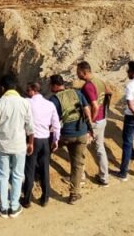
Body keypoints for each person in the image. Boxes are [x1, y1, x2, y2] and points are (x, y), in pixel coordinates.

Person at [0, 73, 34, 217]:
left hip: (3, 146)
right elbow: (30, 127)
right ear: (15, 87)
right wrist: (30, 143)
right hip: (19, 146)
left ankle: (3, 207)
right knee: (18, 175)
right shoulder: (25, 103)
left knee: (2, 176)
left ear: (2, 88)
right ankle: (14, 206)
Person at [48, 74, 92, 203]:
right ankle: (74, 194)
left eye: (50, 85)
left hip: (66, 135)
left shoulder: (54, 99)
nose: (50, 87)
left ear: (55, 85)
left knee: (48, 149)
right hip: (82, 132)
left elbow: (51, 120)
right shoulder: (77, 93)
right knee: (77, 164)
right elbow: (87, 111)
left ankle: (40, 174)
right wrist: (90, 129)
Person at [21, 81, 59, 208]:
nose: (27, 92)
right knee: (44, 169)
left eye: (28, 90)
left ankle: (26, 199)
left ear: (32, 90)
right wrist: (55, 140)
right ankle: (45, 197)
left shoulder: (27, 102)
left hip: (32, 139)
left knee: (30, 169)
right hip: (46, 140)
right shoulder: (50, 104)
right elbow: (56, 124)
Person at [75, 61, 110, 186]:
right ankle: (104, 177)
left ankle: (81, 178)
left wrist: (91, 122)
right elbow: (108, 94)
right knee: (100, 148)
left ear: (84, 72)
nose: (76, 74)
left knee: (81, 148)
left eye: (78, 72)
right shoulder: (100, 81)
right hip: (102, 119)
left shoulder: (88, 86)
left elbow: (94, 105)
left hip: (95, 121)